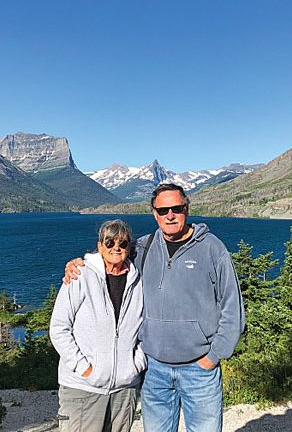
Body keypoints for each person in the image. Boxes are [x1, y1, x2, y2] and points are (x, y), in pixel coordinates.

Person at [65, 183, 245, 432]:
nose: (170, 215)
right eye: (163, 210)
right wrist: (79, 264)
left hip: (200, 369)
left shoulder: (212, 248)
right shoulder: (142, 247)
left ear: (186, 209)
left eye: (176, 208)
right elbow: (112, 255)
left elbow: (232, 308)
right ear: (154, 213)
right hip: (154, 370)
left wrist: (213, 357)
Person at [50, 219, 146, 432]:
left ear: (129, 247)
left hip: (124, 390)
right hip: (83, 388)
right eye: (110, 242)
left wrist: (135, 365)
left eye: (122, 243)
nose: (116, 248)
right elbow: (59, 328)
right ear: (100, 245)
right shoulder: (80, 275)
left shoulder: (138, 281)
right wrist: (84, 368)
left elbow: (146, 329)